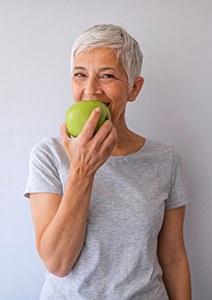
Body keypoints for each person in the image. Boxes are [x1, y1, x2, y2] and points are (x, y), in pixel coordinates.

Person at [24, 24, 191, 300]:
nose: (91, 89)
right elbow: (58, 263)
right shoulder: (48, 154)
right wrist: (81, 171)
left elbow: (173, 257)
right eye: (80, 74)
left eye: (107, 76)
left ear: (134, 88)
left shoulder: (165, 159)